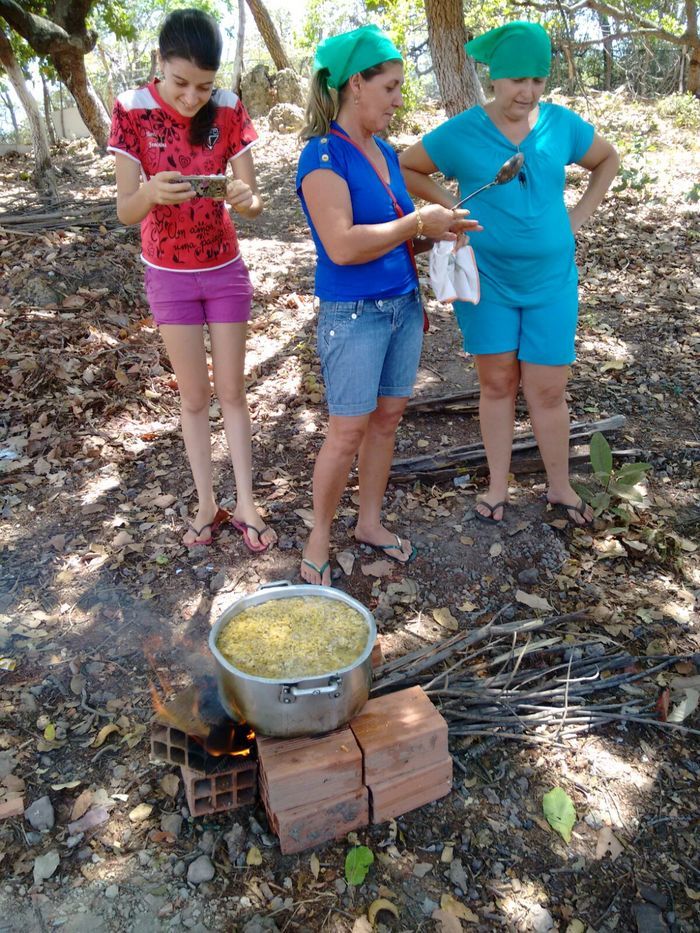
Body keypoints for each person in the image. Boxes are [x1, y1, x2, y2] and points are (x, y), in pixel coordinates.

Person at [400, 21, 620, 525]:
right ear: (495, 78)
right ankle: (498, 487)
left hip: (551, 283)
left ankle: (559, 487)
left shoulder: (561, 125)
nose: (528, 91)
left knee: (547, 389)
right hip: (490, 281)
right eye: (518, 78)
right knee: (497, 383)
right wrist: (450, 206)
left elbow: (606, 159)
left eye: (538, 79)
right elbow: (409, 166)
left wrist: (577, 217)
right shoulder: (463, 131)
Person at [296, 24, 475, 585]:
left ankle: (369, 521)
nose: (400, 99)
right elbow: (344, 246)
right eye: (392, 87)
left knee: (388, 420)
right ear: (356, 85)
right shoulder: (323, 155)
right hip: (354, 314)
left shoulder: (384, 152)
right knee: (347, 430)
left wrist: (435, 234)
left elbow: (392, 235)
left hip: (401, 304)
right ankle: (318, 537)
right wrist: (418, 220)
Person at [108, 8, 276, 552]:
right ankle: (207, 503)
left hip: (224, 270)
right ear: (159, 64)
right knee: (195, 398)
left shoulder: (227, 109)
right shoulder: (131, 110)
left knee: (232, 391)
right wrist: (152, 192)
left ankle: (247, 502)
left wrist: (245, 197)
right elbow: (126, 211)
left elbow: (252, 202)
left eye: (203, 85)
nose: (192, 98)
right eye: (181, 83)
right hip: (169, 276)